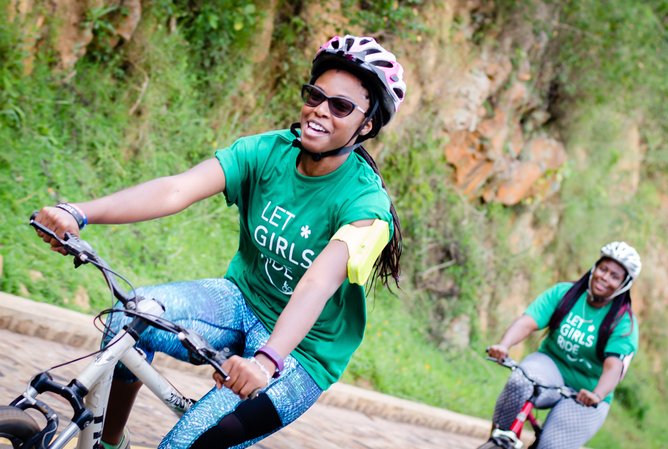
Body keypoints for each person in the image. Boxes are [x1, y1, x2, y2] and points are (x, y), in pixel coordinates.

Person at [33, 34, 406, 449]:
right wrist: (78, 212)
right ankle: (110, 442)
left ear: (366, 124)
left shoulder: (367, 207)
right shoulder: (267, 152)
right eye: (316, 95)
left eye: (340, 106)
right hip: (238, 300)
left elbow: (316, 284)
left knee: (188, 443)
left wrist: (267, 361)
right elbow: (177, 189)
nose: (320, 110)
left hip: (301, 353)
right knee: (128, 318)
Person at [483, 242, 641, 449]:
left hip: (588, 392)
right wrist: (504, 346)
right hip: (550, 366)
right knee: (519, 381)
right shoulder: (564, 294)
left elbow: (614, 367)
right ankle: (499, 439)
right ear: (595, 268)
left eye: (614, 276)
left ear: (624, 285)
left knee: (552, 446)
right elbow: (528, 322)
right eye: (603, 269)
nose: (604, 277)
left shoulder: (623, 323)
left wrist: (597, 395)